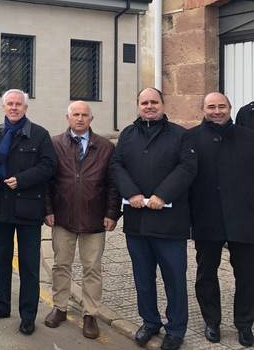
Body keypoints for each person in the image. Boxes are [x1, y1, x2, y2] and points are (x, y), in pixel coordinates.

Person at [110, 87, 197, 350]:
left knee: (175, 279)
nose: (149, 106)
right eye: (144, 102)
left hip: (170, 223)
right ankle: (149, 321)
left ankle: (176, 328)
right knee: (142, 278)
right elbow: (116, 165)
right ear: (137, 105)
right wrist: (131, 192)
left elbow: (187, 168)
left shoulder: (180, 135)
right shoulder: (127, 134)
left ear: (162, 104)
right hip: (137, 222)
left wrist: (162, 194)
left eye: (154, 102)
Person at [0, 89, 56, 336]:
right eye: (9, 104)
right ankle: (1, 306)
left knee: (29, 265)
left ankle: (28, 315)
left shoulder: (40, 135)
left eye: (18, 104)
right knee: (0, 262)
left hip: (28, 208)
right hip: (0, 207)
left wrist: (21, 180)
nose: (13, 108)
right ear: (3, 107)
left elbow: (49, 166)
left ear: (25, 108)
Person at [43, 101, 120, 339]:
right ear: (67, 117)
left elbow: (113, 184)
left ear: (91, 118)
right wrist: (48, 209)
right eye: (75, 114)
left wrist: (111, 213)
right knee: (61, 265)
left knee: (92, 269)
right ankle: (60, 307)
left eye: (84, 115)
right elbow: (47, 180)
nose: (79, 118)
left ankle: (90, 314)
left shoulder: (106, 147)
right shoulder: (54, 144)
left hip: (95, 218)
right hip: (63, 217)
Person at [187, 92, 254, 347]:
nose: (217, 111)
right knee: (206, 274)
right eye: (212, 107)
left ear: (230, 108)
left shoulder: (249, 138)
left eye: (222, 106)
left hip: (244, 220)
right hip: (207, 219)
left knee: (248, 276)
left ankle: (245, 324)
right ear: (203, 109)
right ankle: (211, 320)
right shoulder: (191, 138)